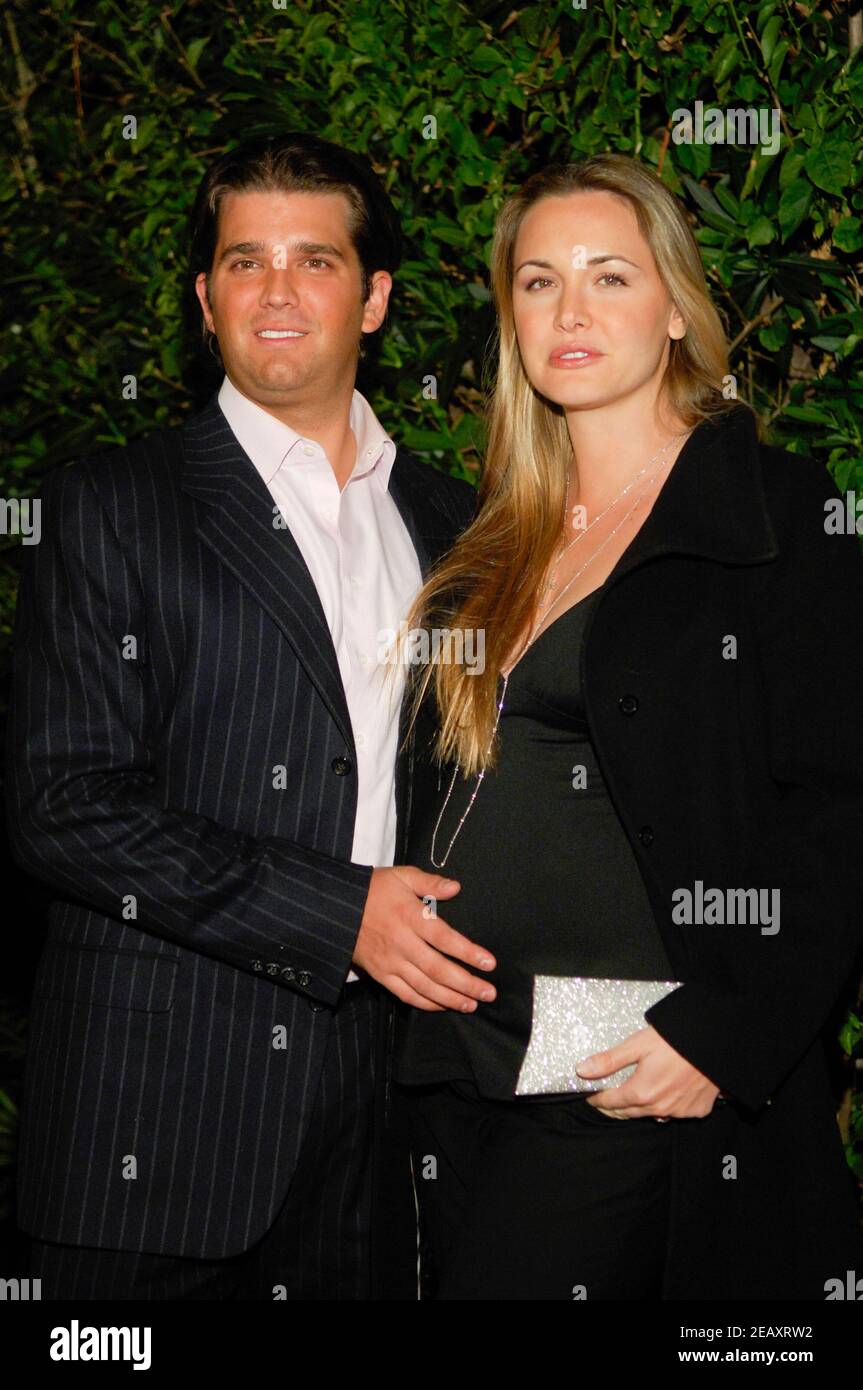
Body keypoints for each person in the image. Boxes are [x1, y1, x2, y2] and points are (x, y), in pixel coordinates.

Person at [5, 131, 492, 1300]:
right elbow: (61, 806)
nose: (275, 290)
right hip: (151, 1124)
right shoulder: (112, 505)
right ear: (204, 296)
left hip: (374, 1128)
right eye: (243, 260)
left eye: (314, 260)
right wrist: (339, 916)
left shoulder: (456, 522)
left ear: (372, 300)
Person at [390, 154, 863, 1300]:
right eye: (538, 281)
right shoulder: (492, 537)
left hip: (618, 1050)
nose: (568, 309)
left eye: (609, 277)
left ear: (673, 312)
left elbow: (838, 797)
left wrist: (729, 1027)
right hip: (456, 1052)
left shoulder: (780, 515)